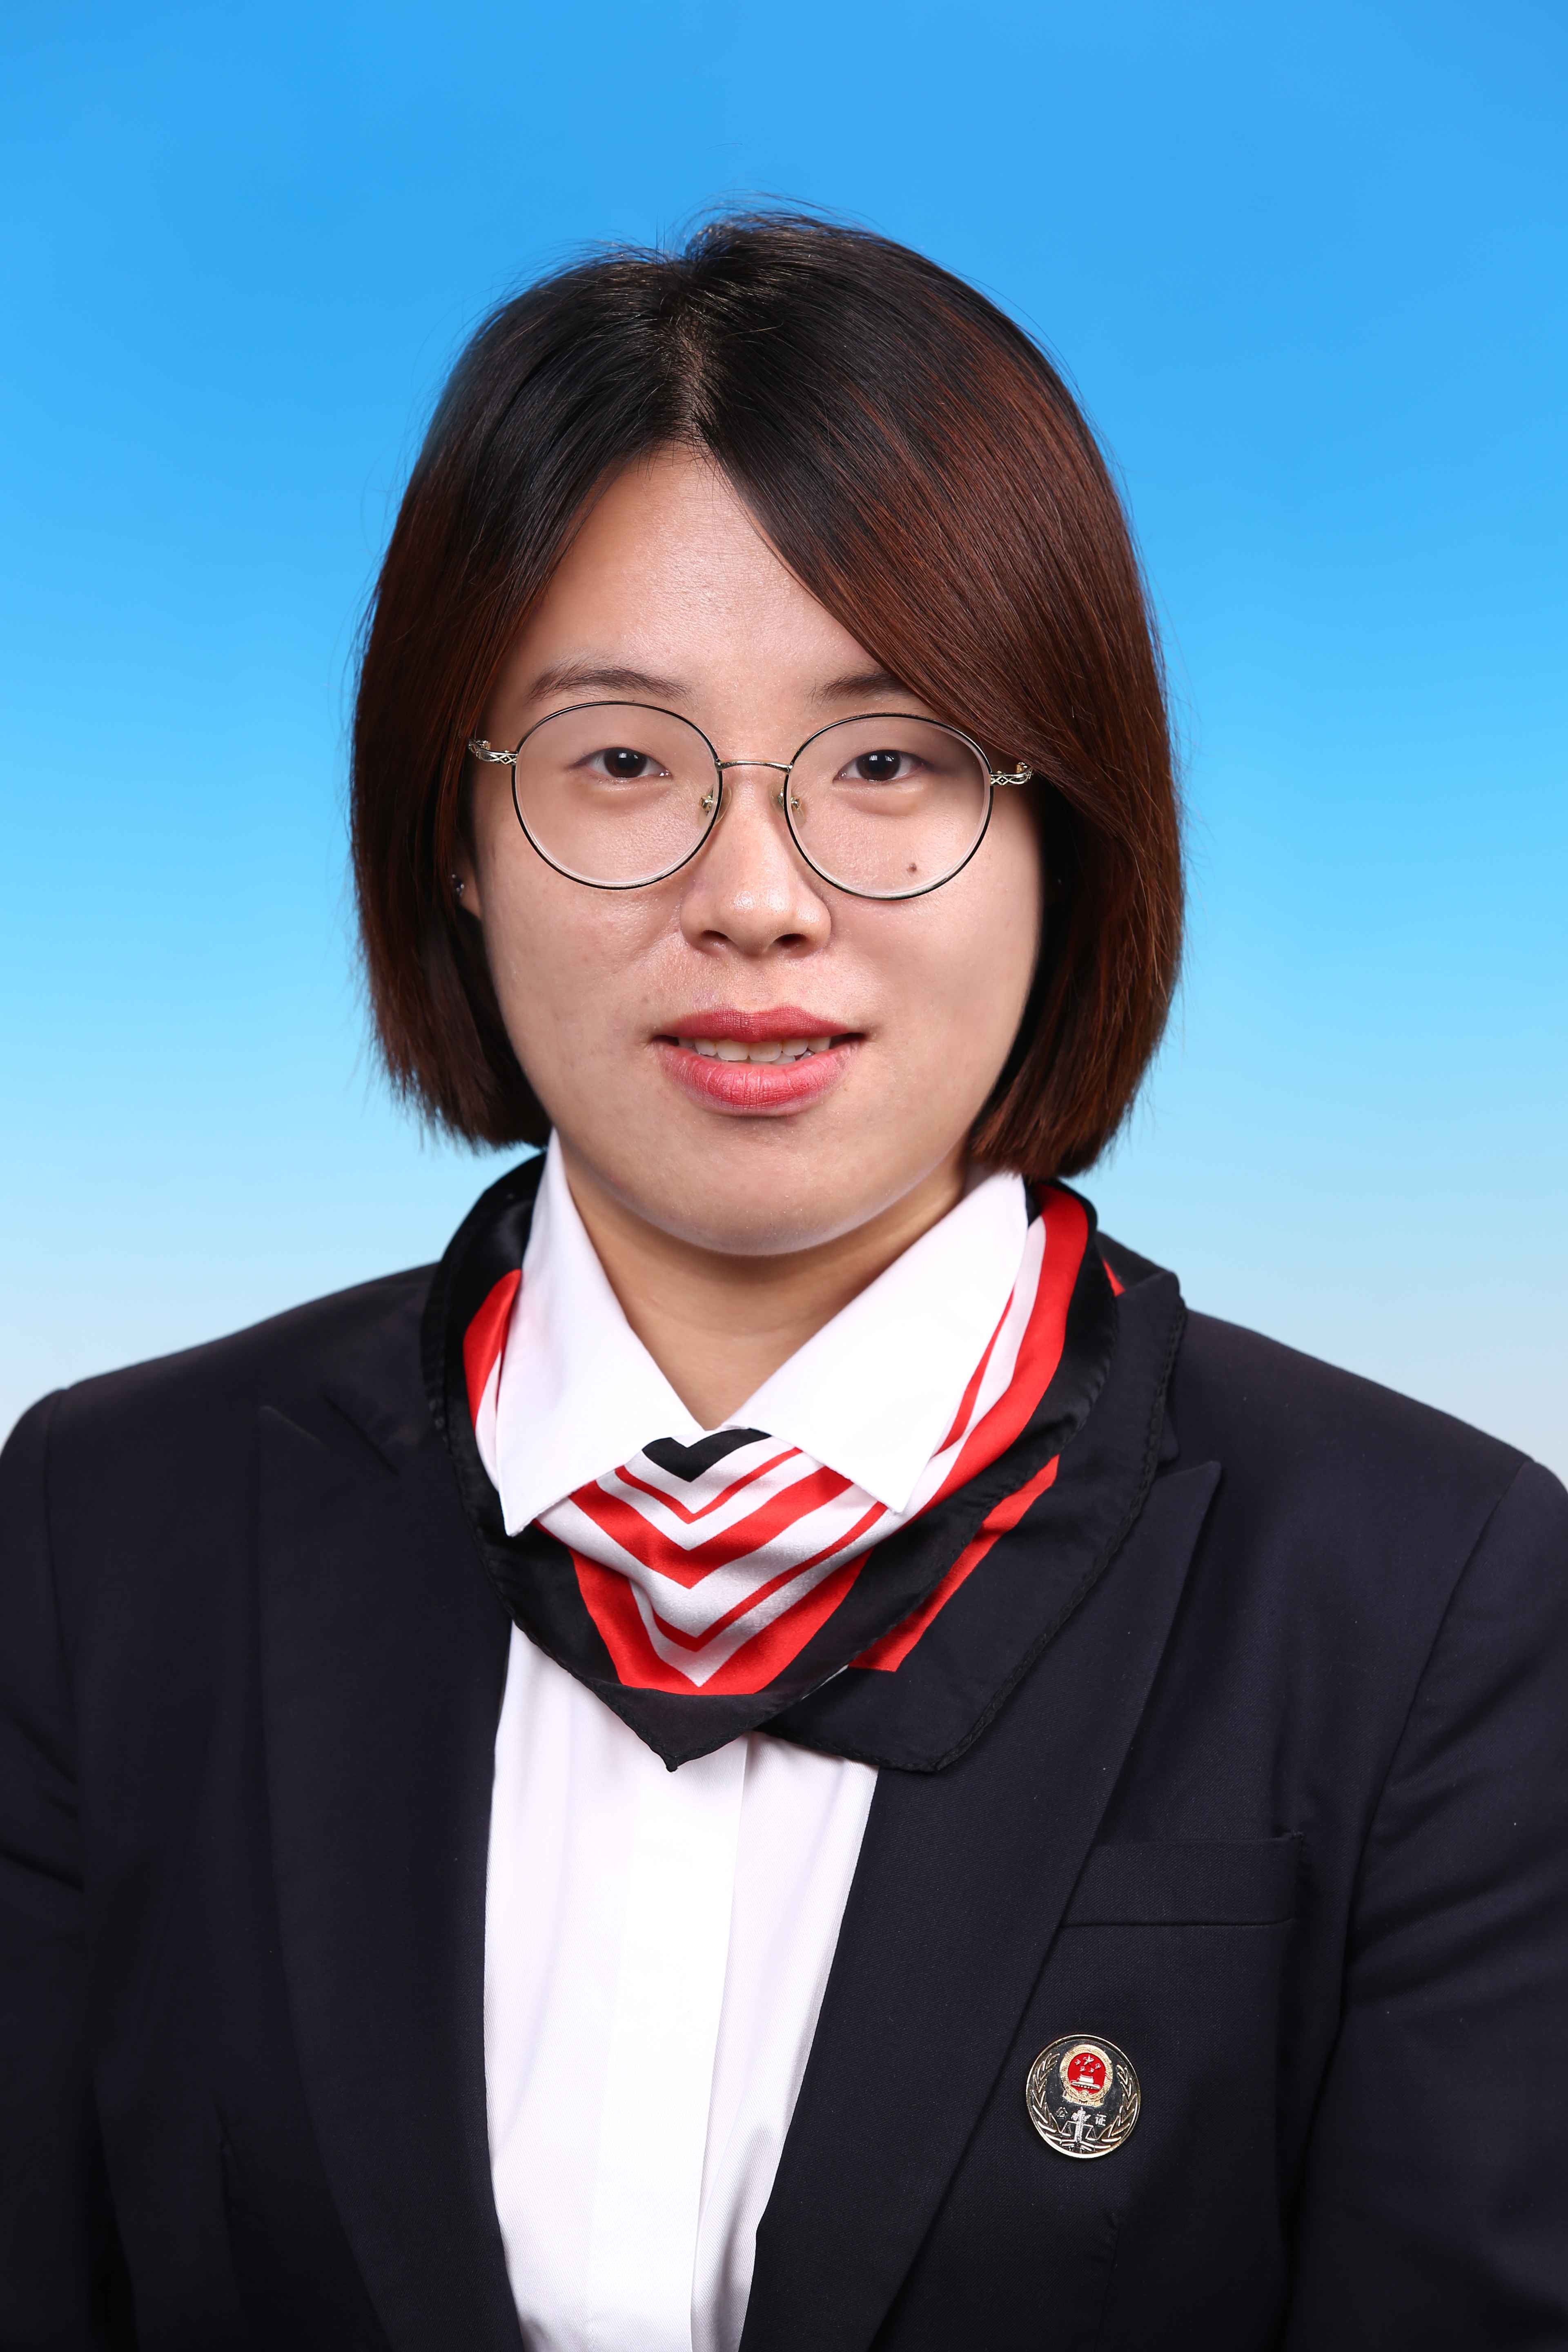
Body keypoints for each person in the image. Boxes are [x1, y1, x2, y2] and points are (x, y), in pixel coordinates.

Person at [1, 213, 1564, 2352]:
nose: (756, 898)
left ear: (1068, 824)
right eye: (621, 761)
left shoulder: (1424, 1596)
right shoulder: (107, 1539)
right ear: (456, 832)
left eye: (890, 761)